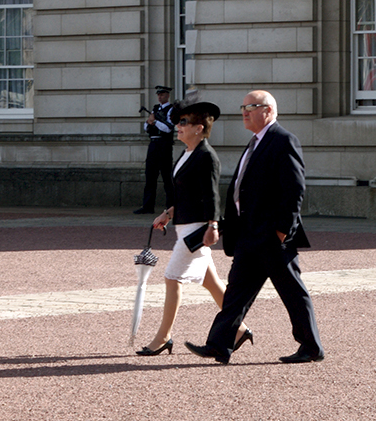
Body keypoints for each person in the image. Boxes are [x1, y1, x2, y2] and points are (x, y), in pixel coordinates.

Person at [185, 90, 324, 365]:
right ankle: (219, 345)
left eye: (252, 106)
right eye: (243, 107)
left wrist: (282, 230)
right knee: (236, 292)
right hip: (249, 233)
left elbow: (294, 188)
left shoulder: (283, 140)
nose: (244, 112)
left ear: (269, 110)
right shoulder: (255, 142)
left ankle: (311, 346)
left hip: (272, 235)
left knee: (292, 292)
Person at [136, 101, 253, 356]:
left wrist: (212, 226)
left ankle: (163, 337)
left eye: (183, 123)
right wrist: (168, 213)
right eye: (178, 122)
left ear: (199, 128)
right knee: (211, 283)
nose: (178, 126)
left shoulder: (206, 155)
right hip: (184, 225)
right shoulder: (188, 152)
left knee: (172, 277)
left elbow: (211, 196)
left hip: (196, 231)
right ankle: (240, 329)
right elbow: (186, 195)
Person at [134, 86, 176, 214]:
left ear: (167, 95)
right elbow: (146, 126)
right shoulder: (155, 109)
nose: (160, 97)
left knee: (167, 177)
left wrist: (155, 122)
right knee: (150, 176)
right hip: (153, 144)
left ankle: (171, 207)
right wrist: (150, 122)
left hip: (164, 145)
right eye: (158, 95)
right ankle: (147, 206)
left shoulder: (171, 109)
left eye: (162, 94)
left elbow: (168, 128)